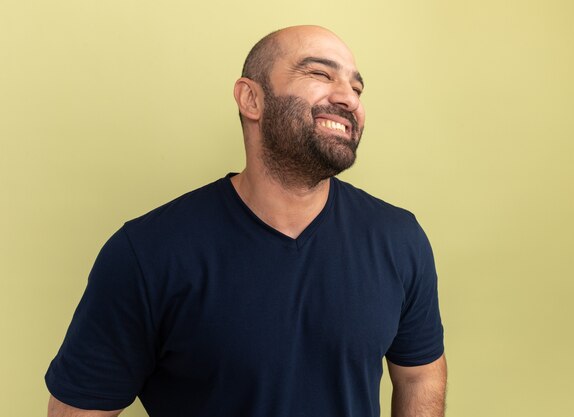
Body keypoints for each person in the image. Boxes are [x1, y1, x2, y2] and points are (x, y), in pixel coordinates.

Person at [46, 25, 447, 417]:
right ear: (251, 99)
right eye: (320, 74)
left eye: (357, 88)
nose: (348, 97)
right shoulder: (147, 253)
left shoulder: (399, 239)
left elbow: (420, 378)